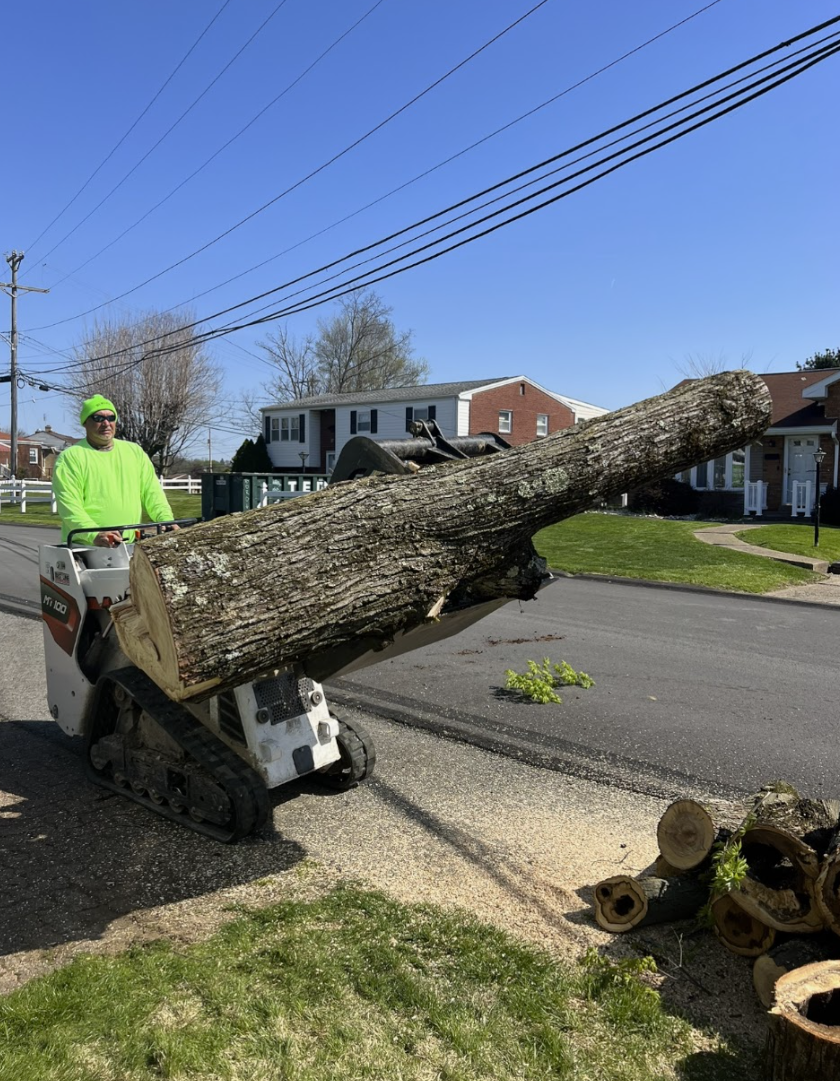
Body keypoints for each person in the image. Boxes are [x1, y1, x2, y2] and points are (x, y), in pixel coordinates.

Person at [52, 394, 178, 547]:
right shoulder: (71, 457)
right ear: (85, 422)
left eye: (111, 418)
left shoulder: (134, 452)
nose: (106, 423)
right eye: (98, 418)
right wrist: (94, 534)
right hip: (86, 546)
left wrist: (166, 520)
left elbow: (152, 493)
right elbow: (69, 505)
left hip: (128, 544)